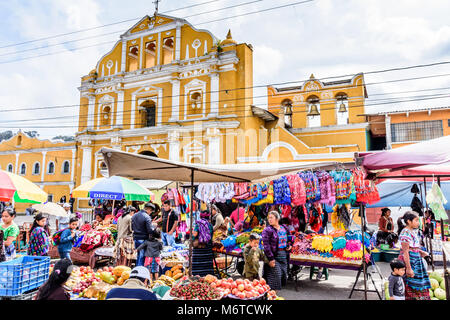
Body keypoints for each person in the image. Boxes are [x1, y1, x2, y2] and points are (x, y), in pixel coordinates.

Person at [397, 211, 431, 300]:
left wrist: (420, 252)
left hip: (415, 261)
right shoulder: (405, 233)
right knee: (410, 286)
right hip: (410, 262)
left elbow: (412, 247)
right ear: (409, 221)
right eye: (416, 220)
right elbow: (405, 251)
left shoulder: (412, 231)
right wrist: (408, 268)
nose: (418, 223)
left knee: (418, 285)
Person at [261, 211, 292, 292]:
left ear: (277, 218)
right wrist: (271, 259)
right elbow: (266, 245)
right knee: (275, 277)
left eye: (271, 217)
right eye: (268, 218)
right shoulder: (267, 230)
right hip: (274, 256)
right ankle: (272, 295)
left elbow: (290, 237)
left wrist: (289, 244)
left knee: (283, 275)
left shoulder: (284, 228)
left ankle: (271, 294)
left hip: (284, 256)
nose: (269, 220)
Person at [131, 202, 155, 266]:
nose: (151, 212)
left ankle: (137, 268)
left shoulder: (135, 215)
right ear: (149, 209)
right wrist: (154, 228)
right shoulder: (147, 217)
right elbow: (150, 230)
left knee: (138, 255)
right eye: (151, 211)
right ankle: (139, 271)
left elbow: (131, 226)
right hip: (143, 238)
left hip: (135, 237)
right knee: (141, 256)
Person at [191, 210, 214, 277]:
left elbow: (195, 234)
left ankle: (197, 277)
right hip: (207, 248)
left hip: (198, 248)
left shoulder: (198, 224)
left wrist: (192, 238)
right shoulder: (210, 225)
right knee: (207, 265)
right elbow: (211, 235)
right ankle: (208, 277)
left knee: (198, 265)